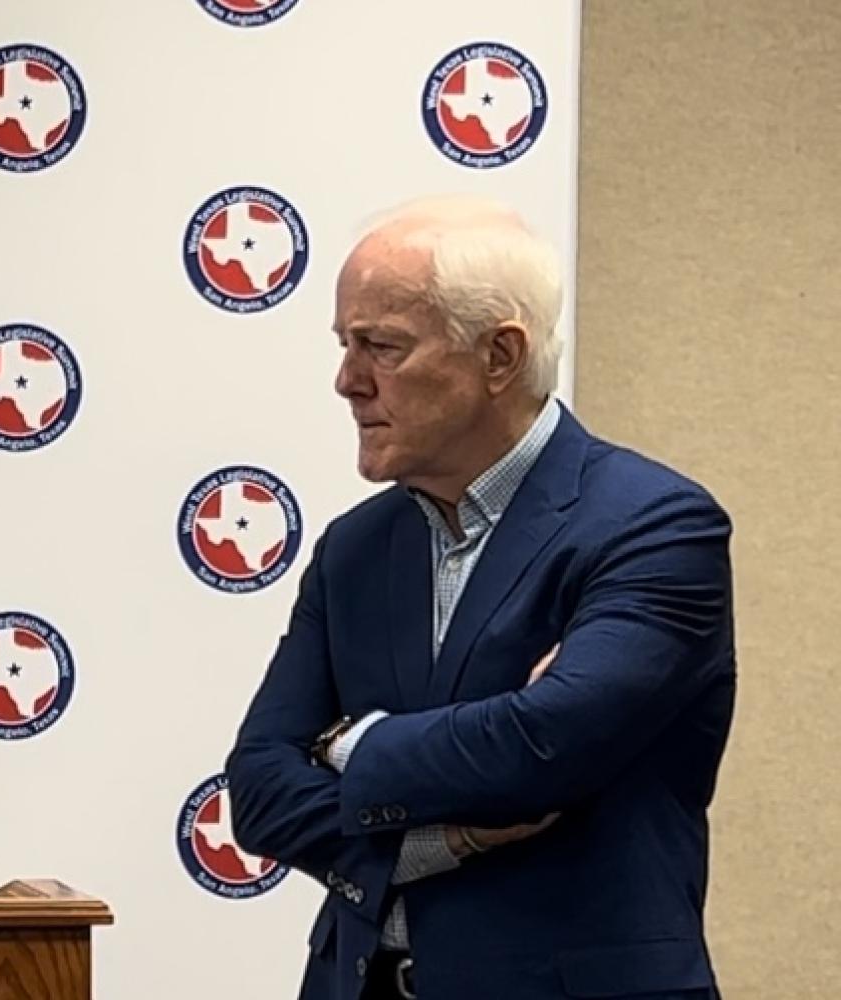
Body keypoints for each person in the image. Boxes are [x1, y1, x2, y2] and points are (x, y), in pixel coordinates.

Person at [225, 196, 735, 1000]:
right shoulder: (353, 550)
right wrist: (448, 838)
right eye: (344, 345)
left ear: (499, 356)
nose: (347, 381)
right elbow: (258, 789)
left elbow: (543, 751)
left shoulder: (656, 527)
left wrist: (350, 746)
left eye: (381, 347)